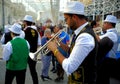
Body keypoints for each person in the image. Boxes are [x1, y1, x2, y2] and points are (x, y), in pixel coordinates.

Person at [47, 1, 98, 84]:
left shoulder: (84, 36)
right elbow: (72, 50)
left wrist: (55, 50)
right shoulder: (79, 32)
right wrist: (58, 43)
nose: (66, 22)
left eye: (66, 19)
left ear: (74, 17)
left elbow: (69, 67)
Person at [96, 15, 119, 84]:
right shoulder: (110, 33)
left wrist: (91, 32)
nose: (103, 25)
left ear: (109, 24)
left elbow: (99, 40)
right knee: (103, 79)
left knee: (102, 79)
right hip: (107, 60)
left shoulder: (111, 34)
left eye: (104, 23)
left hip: (108, 60)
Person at [23, 15, 41, 84]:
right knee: (33, 71)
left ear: (25, 22)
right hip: (34, 54)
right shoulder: (36, 32)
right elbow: (39, 44)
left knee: (22, 71)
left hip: (26, 54)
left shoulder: (23, 31)